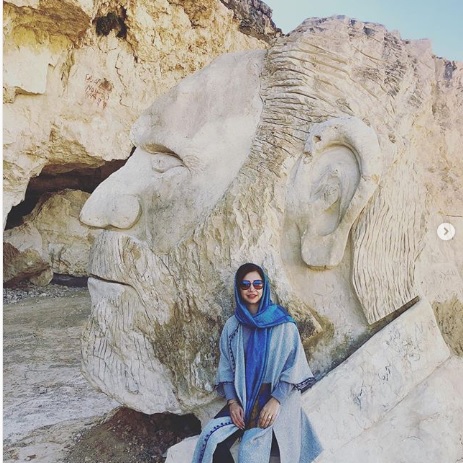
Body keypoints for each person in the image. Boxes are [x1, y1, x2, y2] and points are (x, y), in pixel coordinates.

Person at [192, 263, 321, 463]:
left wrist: (276, 401)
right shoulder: (233, 326)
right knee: (211, 440)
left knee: (254, 453)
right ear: (238, 289)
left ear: (264, 286)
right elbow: (226, 368)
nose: (252, 289)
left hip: (276, 397)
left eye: (257, 284)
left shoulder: (283, 324)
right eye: (245, 285)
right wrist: (233, 402)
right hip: (244, 398)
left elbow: (294, 367)